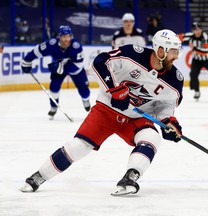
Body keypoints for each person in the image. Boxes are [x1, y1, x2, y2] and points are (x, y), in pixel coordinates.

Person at [20, 29, 184, 196]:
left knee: (152, 137)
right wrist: (114, 90)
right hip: (107, 110)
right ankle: (39, 176)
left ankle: (130, 178)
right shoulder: (132, 54)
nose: (177, 56)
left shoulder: (175, 79)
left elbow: (165, 105)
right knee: (80, 146)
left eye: (178, 51)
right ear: (161, 50)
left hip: (136, 117)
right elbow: (100, 62)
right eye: (174, 51)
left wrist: (168, 122)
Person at [21, 25, 91, 119]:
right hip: (59, 68)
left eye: (68, 36)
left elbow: (78, 65)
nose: (66, 39)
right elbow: (36, 51)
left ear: (71, 36)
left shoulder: (76, 47)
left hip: (75, 69)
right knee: (54, 87)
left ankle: (85, 100)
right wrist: (26, 61)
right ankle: (54, 106)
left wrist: (63, 67)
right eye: (64, 36)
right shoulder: (51, 44)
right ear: (59, 36)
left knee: (84, 90)